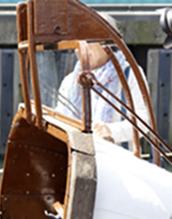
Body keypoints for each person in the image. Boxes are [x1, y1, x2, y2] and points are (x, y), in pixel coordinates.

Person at [55, 15, 149, 153]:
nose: (78, 49)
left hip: (119, 162)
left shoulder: (130, 74)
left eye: (87, 41)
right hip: (78, 159)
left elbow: (144, 121)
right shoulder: (70, 81)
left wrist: (111, 131)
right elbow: (60, 120)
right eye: (76, 43)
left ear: (107, 44)